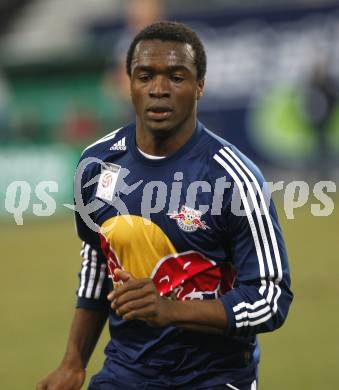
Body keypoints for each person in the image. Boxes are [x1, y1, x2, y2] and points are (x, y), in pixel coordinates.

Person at [37, 21, 293, 390]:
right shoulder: (96, 165)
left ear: (199, 86)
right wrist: (73, 362)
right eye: (145, 76)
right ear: (129, 83)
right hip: (126, 372)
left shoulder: (234, 177)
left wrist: (170, 310)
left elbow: (271, 298)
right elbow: (96, 258)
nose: (159, 89)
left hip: (215, 377)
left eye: (177, 76)